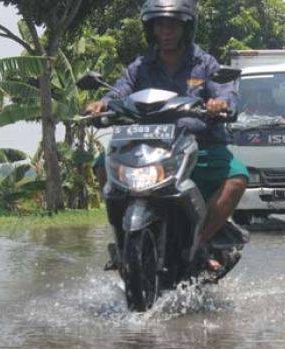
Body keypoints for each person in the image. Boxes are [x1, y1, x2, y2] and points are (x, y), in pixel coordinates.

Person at [85, 0, 248, 269]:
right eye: (160, 25)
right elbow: (118, 91)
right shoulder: (139, 66)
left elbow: (225, 91)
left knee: (237, 177)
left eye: (172, 25)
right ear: (151, 29)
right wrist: (101, 104)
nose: (166, 31)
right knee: (103, 164)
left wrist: (221, 103)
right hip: (146, 142)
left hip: (198, 144)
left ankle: (200, 242)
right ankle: (122, 241)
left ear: (186, 27)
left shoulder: (205, 63)